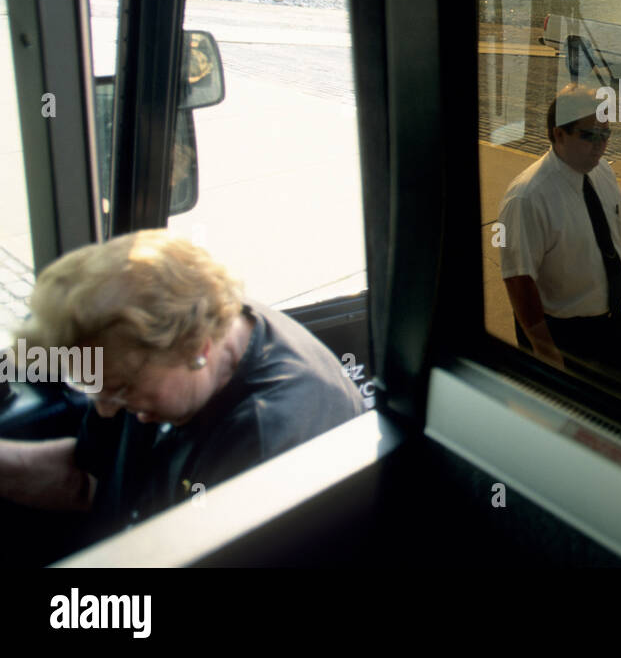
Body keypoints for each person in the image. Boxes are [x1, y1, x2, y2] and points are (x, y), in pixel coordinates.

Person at [0, 231, 365, 539]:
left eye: (122, 389)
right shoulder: (159, 343)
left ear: (199, 348)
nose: (106, 406)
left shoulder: (265, 443)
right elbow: (86, 480)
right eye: (94, 385)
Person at [498, 85, 621, 400]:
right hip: (566, 337)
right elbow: (519, 279)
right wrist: (545, 350)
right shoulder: (528, 197)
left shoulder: (602, 171)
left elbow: (617, 225)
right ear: (558, 134)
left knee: (615, 413)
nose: (600, 146)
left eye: (606, 134)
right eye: (589, 135)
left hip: (611, 328)